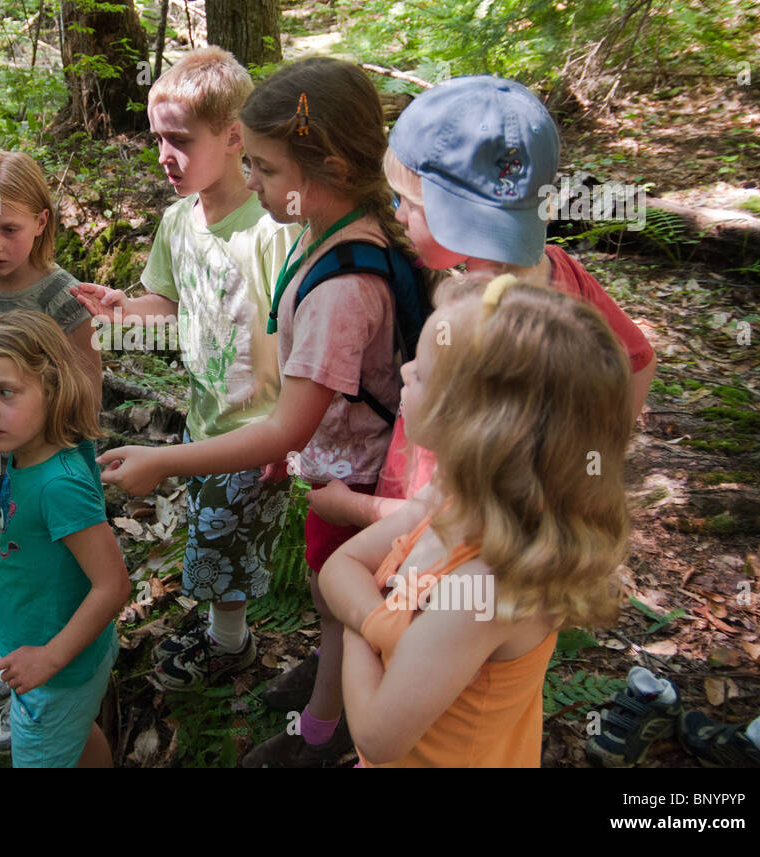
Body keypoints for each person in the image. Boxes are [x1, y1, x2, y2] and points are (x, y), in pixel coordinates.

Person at [98, 57, 431, 766]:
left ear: (329, 170)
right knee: (324, 579)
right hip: (331, 458)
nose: (254, 181)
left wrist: (160, 460)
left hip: (360, 473)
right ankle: (332, 672)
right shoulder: (326, 227)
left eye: (267, 168)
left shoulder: (340, 282)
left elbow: (288, 422)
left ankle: (324, 727)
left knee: (344, 586)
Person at [305, 75, 656, 546]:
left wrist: (353, 507)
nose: (400, 218)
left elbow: (441, 515)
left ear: (454, 212)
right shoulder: (563, 271)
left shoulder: (475, 324)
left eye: (406, 204)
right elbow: (639, 360)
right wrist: (589, 460)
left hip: (441, 565)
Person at [319, 274, 633, 767]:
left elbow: (378, 737)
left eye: (422, 372)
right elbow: (339, 567)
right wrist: (382, 624)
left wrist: (362, 617)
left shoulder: (488, 587)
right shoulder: (453, 496)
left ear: (476, 424)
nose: (404, 371)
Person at [70, 46, 299, 690]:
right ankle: (225, 627)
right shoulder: (178, 220)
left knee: (226, 542)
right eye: (157, 139)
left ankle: (231, 645)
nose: (164, 155)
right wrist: (120, 308)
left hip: (258, 427)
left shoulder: (271, 228)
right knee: (212, 529)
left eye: (179, 140)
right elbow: (165, 304)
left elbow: (298, 330)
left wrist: (290, 432)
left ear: (234, 137)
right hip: (204, 416)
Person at [0, 150, 101, 742]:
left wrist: (65, 448)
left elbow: (86, 378)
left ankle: (51, 672)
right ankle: (12, 660)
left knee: (41, 566)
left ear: (41, 224)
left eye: (10, 230)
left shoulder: (59, 295)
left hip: (43, 462)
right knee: (5, 559)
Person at [0, 310, 131, 768]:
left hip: (57, 667)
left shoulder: (58, 484)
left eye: (6, 392)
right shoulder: (34, 447)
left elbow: (113, 586)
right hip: (58, 647)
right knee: (76, 735)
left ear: (51, 389)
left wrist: (48, 660)